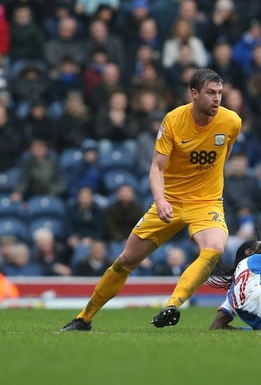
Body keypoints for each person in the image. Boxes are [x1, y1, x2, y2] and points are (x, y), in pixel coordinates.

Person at [61, 69, 242, 331]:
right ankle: (84, 318)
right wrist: (161, 200)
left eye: (220, 93)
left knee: (214, 247)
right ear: (194, 93)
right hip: (169, 200)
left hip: (206, 202)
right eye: (210, 93)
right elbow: (157, 168)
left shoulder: (231, 121)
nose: (217, 99)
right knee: (126, 260)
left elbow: (224, 154)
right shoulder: (173, 121)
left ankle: (172, 304)